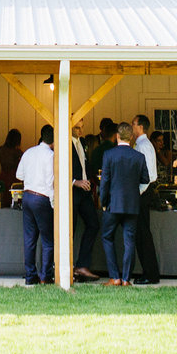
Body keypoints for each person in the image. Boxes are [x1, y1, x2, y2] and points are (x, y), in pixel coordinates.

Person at [99, 122, 148, 286]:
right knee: (129, 241)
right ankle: (126, 279)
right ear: (132, 137)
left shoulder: (109, 154)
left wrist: (103, 201)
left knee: (107, 237)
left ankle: (115, 277)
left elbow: (104, 181)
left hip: (113, 203)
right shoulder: (139, 157)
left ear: (117, 136)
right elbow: (145, 179)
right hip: (132, 204)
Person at [15, 124, 55, 285]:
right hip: (42, 198)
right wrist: (53, 203)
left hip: (27, 196)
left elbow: (19, 175)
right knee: (47, 239)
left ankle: (31, 275)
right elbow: (50, 181)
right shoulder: (50, 156)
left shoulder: (29, 152)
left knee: (29, 238)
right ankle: (45, 276)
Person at [68, 121, 100, 283]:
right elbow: (58, 168)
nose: (81, 130)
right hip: (72, 191)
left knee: (94, 224)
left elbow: (85, 164)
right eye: (77, 127)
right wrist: (75, 181)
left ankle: (82, 265)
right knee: (69, 230)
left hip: (86, 191)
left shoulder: (83, 142)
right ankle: (67, 267)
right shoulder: (64, 143)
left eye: (82, 126)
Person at [131, 115, 161, 285]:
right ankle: (147, 272)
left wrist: (138, 192)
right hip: (143, 191)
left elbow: (148, 175)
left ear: (140, 127)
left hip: (143, 192)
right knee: (140, 233)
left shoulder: (144, 146)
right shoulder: (141, 145)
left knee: (143, 234)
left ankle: (150, 273)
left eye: (133, 124)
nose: (132, 126)